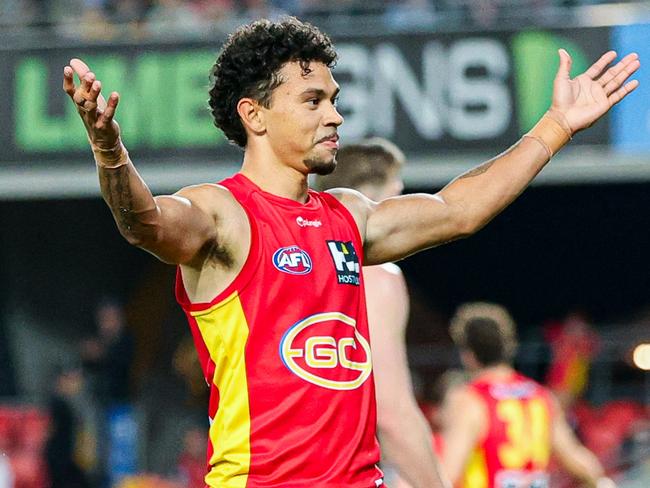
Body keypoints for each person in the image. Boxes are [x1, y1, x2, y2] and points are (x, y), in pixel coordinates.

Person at [62, 16, 639, 487]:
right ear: (253, 113)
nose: (335, 115)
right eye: (312, 101)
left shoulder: (348, 215)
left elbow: (458, 210)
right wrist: (110, 151)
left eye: (333, 100)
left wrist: (557, 126)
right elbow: (145, 223)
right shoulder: (222, 214)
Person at [315, 138, 447, 488]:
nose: (403, 194)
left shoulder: (289, 257)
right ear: (378, 202)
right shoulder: (374, 275)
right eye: (397, 187)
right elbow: (391, 411)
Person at [441, 302, 615, 488]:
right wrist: (602, 482)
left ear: (467, 354)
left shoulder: (470, 400)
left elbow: (445, 476)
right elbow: (578, 460)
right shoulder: (540, 397)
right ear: (509, 346)